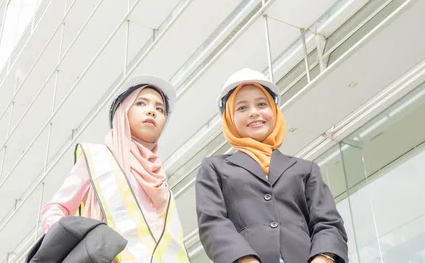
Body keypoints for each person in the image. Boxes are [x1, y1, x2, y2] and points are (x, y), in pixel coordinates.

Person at [195, 68, 348, 263]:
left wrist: (323, 257)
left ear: (274, 111)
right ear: (229, 118)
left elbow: (328, 223)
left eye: (261, 104)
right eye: (242, 108)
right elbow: (212, 222)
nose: (254, 113)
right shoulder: (214, 168)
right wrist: (245, 260)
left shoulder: (305, 169)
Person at [40, 75, 190, 262]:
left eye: (160, 109)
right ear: (123, 111)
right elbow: (55, 209)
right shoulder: (97, 158)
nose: (152, 111)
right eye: (141, 103)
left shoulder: (161, 181)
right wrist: (77, 246)